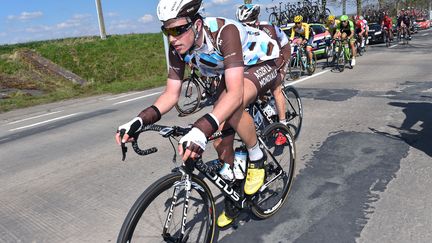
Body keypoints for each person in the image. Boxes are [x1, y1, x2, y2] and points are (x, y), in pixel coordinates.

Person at [115, 0, 284, 228]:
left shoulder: (226, 32)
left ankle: (257, 157)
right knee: (220, 146)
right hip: (233, 70)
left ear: (196, 24)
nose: (172, 38)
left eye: (177, 30)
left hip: (263, 61)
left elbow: (234, 94)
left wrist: (200, 129)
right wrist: (138, 120)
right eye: (167, 31)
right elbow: (170, 95)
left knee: (232, 105)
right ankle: (235, 193)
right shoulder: (178, 47)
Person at [236, 3, 291, 126]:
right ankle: (267, 104)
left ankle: (283, 125)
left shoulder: (267, 29)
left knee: (275, 87)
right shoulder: (243, 33)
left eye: (248, 24)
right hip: (264, 58)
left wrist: (276, 74)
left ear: (256, 22)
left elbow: (275, 55)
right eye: (242, 24)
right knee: (257, 86)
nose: (245, 27)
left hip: (282, 52)